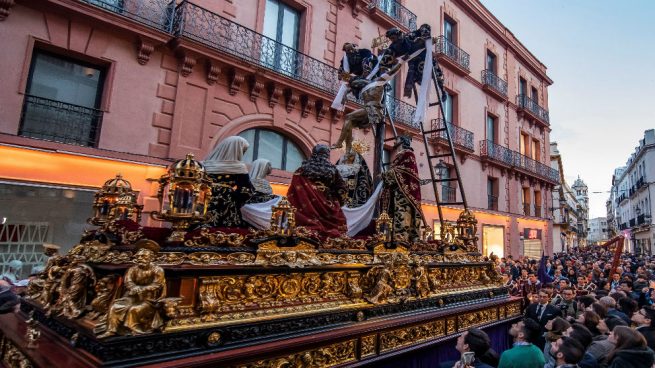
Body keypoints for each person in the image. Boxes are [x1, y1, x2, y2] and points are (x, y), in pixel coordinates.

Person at [100, 248, 166, 337]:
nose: (140, 258)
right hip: (132, 296)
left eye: (143, 256)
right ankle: (111, 330)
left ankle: (135, 330)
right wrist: (135, 288)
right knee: (115, 307)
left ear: (151, 258)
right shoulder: (132, 269)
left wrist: (142, 289)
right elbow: (128, 282)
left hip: (149, 299)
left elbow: (157, 284)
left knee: (134, 310)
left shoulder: (158, 270)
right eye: (138, 256)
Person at [287, 144, 348, 238]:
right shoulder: (332, 170)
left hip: (306, 208)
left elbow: (293, 191)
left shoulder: (301, 170)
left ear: (313, 154)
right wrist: (337, 200)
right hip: (329, 208)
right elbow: (341, 189)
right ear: (327, 155)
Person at [381, 136, 426, 243]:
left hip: (404, 194)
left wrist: (388, 174)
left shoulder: (408, 154)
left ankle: (402, 239)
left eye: (397, 141)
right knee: (394, 215)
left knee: (402, 215)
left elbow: (406, 171)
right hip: (396, 192)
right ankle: (392, 238)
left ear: (401, 143)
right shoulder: (400, 155)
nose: (394, 142)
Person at [204, 136, 255, 228]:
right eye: (243, 151)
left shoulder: (204, 165)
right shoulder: (239, 167)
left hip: (204, 200)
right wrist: (234, 198)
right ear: (237, 150)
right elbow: (246, 191)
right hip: (227, 205)